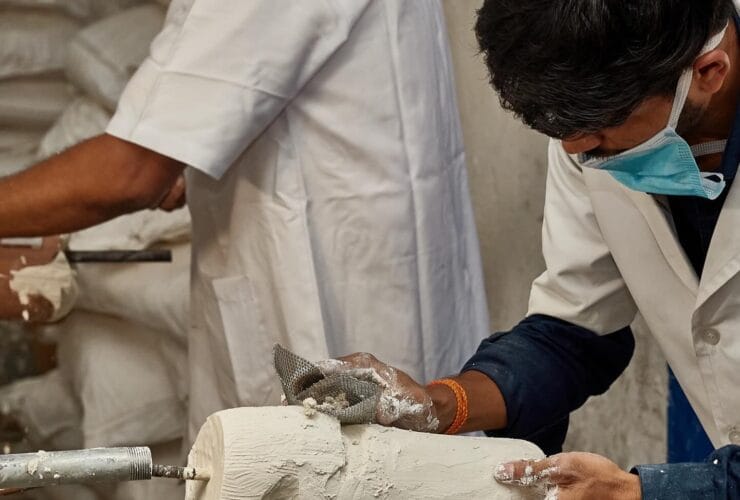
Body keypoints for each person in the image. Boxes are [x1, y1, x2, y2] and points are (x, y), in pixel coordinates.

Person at [0, 0, 489, 445]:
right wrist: (183, 144)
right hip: (362, 256)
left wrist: (162, 152)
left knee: (333, 460)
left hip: (336, 288)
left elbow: (133, 172)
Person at [332, 1, 740, 498]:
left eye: (601, 132)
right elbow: (573, 334)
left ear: (708, 72)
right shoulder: (590, 135)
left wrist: (634, 492)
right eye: (567, 135)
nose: (577, 151)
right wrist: (439, 404)